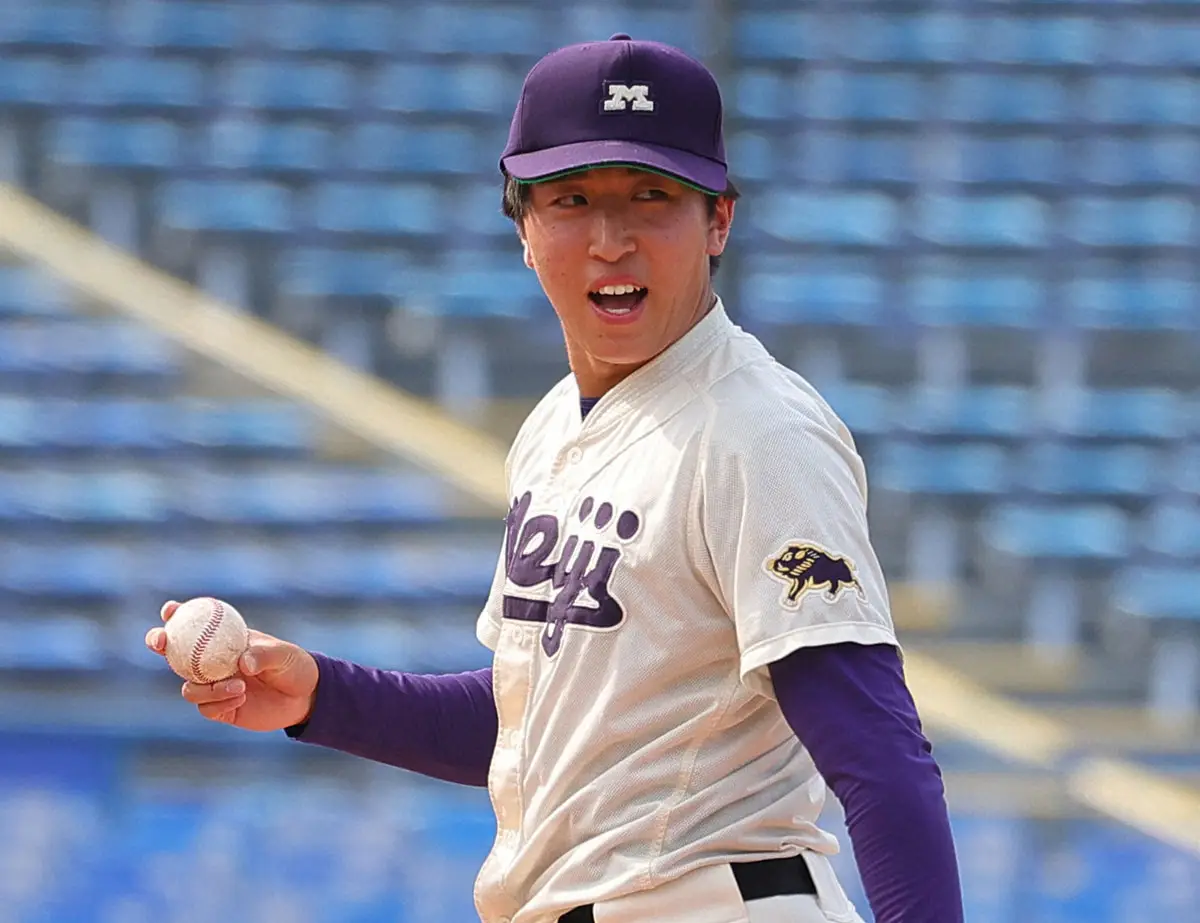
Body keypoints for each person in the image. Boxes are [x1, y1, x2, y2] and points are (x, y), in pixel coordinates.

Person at [146, 34, 962, 923]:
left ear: (718, 221)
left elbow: (875, 749)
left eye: (651, 196)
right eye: (571, 200)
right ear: (524, 231)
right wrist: (324, 694)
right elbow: (539, 725)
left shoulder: (759, 434)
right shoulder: (552, 431)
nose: (611, 239)